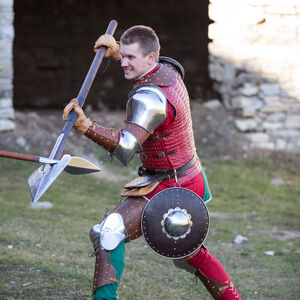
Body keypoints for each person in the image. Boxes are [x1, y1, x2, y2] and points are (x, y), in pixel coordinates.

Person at [63, 25, 242, 300]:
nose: (123, 62)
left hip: (172, 184)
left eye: (130, 58)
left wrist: (87, 127)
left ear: (150, 59)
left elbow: (126, 148)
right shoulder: (167, 72)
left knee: (109, 232)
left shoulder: (150, 98)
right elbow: (148, 49)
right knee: (189, 252)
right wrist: (117, 54)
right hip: (187, 173)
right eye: (122, 56)